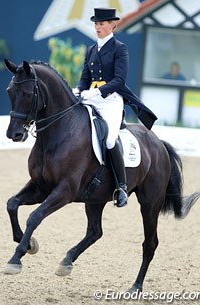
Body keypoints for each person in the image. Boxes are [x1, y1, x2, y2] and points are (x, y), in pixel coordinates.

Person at [73, 8, 157, 207]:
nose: (98, 27)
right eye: (96, 24)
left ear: (113, 25)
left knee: (110, 138)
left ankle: (121, 187)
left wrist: (97, 92)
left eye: (101, 24)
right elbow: (86, 78)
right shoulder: (91, 49)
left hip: (111, 100)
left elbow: (119, 80)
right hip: (92, 98)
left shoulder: (120, 49)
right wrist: (78, 90)